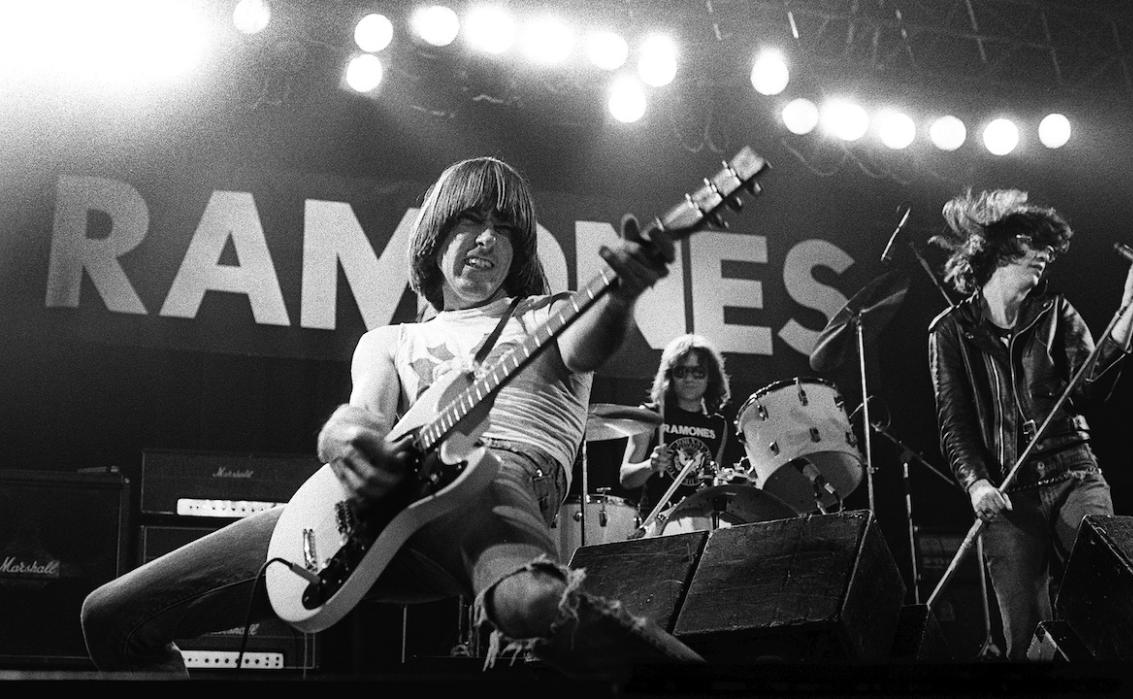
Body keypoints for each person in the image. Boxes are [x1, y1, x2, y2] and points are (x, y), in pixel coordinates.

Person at [80, 156, 705, 681]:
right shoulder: (389, 340)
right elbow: (362, 415)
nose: (487, 238)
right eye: (469, 221)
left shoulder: (545, 314)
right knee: (112, 618)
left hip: (496, 481)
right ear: (436, 234)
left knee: (530, 604)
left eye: (503, 229)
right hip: (384, 518)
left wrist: (623, 291)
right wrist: (344, 439)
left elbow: (588, 345)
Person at [926, 188, 1133, 660]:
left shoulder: (1055, 312)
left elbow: (1092, 387)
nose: (1045, 255)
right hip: (1009, 496)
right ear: (995, 249)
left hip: (1075, 474)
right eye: (1032, 243)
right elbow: (955, 424)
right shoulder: (949, 331)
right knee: (1023, 636)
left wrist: (1132, 302)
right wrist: (975, 484)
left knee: (1109, 599)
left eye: (1048, 248)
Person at [618, 334, 744, 527]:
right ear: (670, 375)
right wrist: (649, 466)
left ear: (710, 377)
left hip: (699, 521)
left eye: (698, 372)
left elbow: (712, 484)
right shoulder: (650, 415)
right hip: (657, 522)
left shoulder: (718, 424)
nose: (689, 378)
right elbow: (626, 478)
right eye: (681, 371)